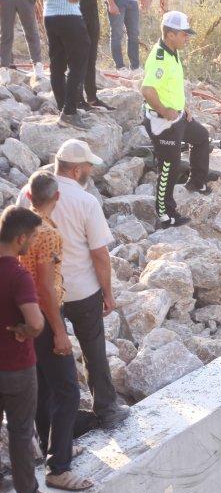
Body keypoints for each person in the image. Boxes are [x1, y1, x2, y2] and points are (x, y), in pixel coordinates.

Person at [21, 171, 91, 492]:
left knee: (46, 389)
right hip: (47, 317)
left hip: (28, 317)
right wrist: (59, 331)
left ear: (30, 196)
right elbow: (47, 288)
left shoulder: (21, 227)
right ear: (57, 198)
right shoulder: (46, 233)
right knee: (68, 391)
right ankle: (58, 468)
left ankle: (55, 447)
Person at [53, 138, 129, 429]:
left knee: (53, 353)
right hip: (83, 289)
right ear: (75, 171)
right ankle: (107, 409)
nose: (90, 172)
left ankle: (60, 419)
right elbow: (99, 254)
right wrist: (108, 293)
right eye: (87, 167)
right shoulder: (86, 202)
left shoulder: (30, 194)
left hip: (48, 292)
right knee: (93, 348)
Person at [0, 205, 66, 493]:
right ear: (21, 238)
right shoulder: (17, 274)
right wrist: (27, 330)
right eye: (32, 237)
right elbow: (36, 322)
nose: (33, 243)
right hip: (15, 368)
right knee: (20, 432)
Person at [142, 9, 216, 228]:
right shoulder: (160, 57)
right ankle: (165, 214)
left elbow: (170, 86)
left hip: (178, 117)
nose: (187, 38)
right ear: (171, 34)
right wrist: (165, 111)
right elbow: (147, 90)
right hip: (163, 123)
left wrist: (183, 108)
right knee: (169, 167)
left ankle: (197, 181)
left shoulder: (173, 52)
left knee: (202, 137)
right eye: (184, 34)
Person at [35, 0, 88, 129]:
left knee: (57, 63)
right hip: (69, 14)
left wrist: (45, 3)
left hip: (50, 13)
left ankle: (62, 107)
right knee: (80, 57)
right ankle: (69, 111)